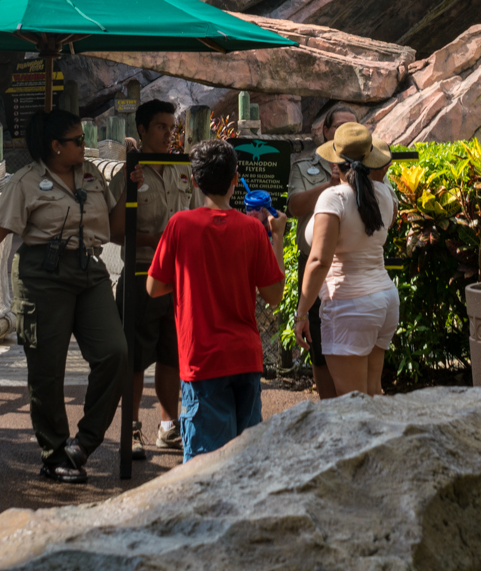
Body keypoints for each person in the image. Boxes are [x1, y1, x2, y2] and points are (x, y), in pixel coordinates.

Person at [0, 109, 128, 484]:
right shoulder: (26, 181)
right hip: (43, 274)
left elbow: (115, 231)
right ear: (55, 147)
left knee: (116, 353)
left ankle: (83, 443)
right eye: (78, 141)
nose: (86, 146)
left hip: (90, 270)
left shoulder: (92, 175)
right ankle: (53, 455)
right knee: (47, 369)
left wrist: (130, 184)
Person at [146, 139, 284, 461]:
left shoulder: (180, 224)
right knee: (246, 458)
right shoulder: (252, 229)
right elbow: (274, 295)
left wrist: (185, 282)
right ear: (236, 178)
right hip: (245, 356)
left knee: (205, 465)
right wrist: (276, 236)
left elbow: (154, 287)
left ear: (194, 180)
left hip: (202, 359)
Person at [293, 122, 398, 398]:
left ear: (336, 160)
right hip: (385, 299)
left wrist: (302, 312)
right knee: (373, 392)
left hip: (350, 305)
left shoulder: (334, 198)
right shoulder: (385, 194)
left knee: (351, 403)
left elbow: (318, 260)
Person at [119, 100, 192, 455]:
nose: (168, 133)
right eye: (161, 126)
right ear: (143, 130)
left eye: (172, 126)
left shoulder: (184, 169)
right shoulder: (132, 172)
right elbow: (116, 229)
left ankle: (168, 425)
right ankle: (131, 428)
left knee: (172, 354)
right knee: (133, 355)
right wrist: (154, 240)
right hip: (141, 272)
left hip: (179, 278)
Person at [286, 107, 353, 399]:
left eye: (352, 127)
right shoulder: (304, 167)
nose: (344, 132)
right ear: (325, 131)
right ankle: (327, 408)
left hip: (350, 265)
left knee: (353, 339)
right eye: (339, 126)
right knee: (318, 340)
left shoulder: (365, 168)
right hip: (312, 262)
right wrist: (329, 187)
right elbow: (295, 207)